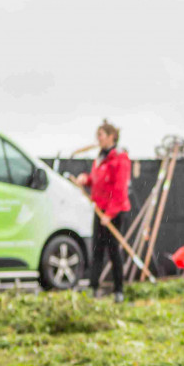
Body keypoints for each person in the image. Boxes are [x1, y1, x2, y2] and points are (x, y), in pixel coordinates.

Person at [75, 120, 130, 303]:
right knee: (97, 250)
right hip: (99, 210)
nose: (98, 139)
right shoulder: (100, 157)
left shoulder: (120, 158)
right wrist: (86, 180)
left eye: (101, 135)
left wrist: (110, 214)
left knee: (113, 251)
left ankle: (119, 291)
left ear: (111, 136)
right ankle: (93, 288)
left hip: (113, 212)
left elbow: (120, 189)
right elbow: (98, 180)